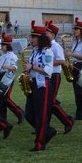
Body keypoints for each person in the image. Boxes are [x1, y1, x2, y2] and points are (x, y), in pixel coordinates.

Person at [23, 21, 55, 151]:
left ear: (40, 38)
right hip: (34, 83)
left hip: (44, 85)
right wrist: (27, 70)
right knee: (29, 114)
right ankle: (47, 131)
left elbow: (48, 71)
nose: (31, 39)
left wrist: (33, 67)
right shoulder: (34, 52)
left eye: (33, 37)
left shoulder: (48, 52)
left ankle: (40, 143)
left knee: (41, 115)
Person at [44, 21, 75, 134]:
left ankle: (67, 120)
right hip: (47, 75)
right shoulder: (46, 46)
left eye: (47, 32)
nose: (45, 33)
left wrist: (47, 63)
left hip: (54, 76)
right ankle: (45, 125)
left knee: (51, 102)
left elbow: (62, 61)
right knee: (47, 102)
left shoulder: (56, 46)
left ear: (52, 34)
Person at [0, 33, 24, 127]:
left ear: (8, 46)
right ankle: (2, 116)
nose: (2, 47)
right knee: (1, 97)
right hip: (1, 76)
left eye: (3, 45)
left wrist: (4, 66)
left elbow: (14, 67)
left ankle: (19, 112)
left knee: (5, 98)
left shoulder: (12, 55)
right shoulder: (3, 55)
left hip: (7, 77)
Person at [67, 18, 82, 121]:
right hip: (75, 66)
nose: (75, 31)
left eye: (77, 29)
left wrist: (71, 54)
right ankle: (80, 114)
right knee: (77, 93)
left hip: (81, 67)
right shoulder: (75, 42)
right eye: (74, 29)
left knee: (80, 92)